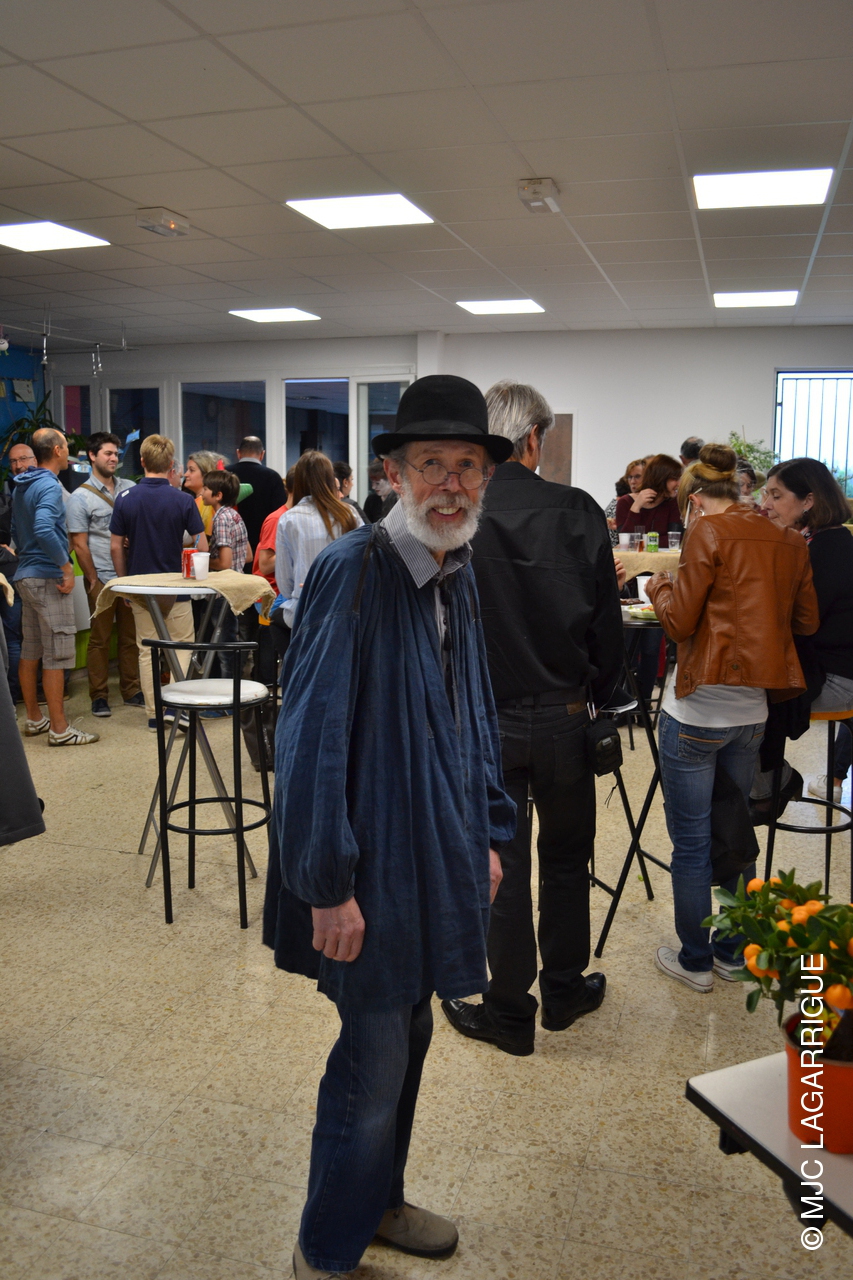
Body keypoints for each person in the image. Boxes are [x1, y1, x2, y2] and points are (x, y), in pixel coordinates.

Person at [263, 374, 515, 1280]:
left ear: (485, 478)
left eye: (467, 466)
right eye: (430, 464)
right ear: (393, 474)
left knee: (409, 1039)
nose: (450, 483)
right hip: (364, 868)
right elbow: (310, 736)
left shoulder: (456, 567)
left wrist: (485, 832)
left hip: (430, 854)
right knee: (370, 1067)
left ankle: (377, 1203)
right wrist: (326, 883)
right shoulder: (354, 571)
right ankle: (322, 1256)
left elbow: (472, 711)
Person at [441, 379, 622, 1056]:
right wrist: (605, 694)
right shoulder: (578, 510)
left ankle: (510, 1013)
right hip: (566, 719)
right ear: (534, 438)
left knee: (501, 867)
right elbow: (606, 626)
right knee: (568, 861)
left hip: (485, 724)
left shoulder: (458, 513)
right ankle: (564, 992)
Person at [645, 444, 819, 993]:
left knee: (693, 841)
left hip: (697, 709)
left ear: (695, 501)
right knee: (735, 830)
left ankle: (696, 960)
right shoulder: (789, 541)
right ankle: (730, 951)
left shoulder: (707, 533)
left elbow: (678, 623)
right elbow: (806, 621)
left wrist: (657, 585)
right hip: (752, 713)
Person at [752, 458, 853, 809]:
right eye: (765, 494)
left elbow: (796, 621)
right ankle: (761, 785)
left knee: (742, 699)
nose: (766, 505)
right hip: (818, 664)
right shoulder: (813, 541)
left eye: (776, 496)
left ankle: (767, 786)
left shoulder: (830, 549)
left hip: (838, 677)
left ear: (809, 500)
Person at [109, 435, 206, 729]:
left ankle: (154, 713)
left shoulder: (125, 498)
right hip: (176, 587)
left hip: (141, 588)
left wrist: (124, 584)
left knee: (146, 649)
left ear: (142, 461)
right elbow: (201, 546)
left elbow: (115, 547)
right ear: (171, 465)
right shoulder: (183, 500)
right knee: (182, 648)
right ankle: (177, 708)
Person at [11, 428, 99, 747]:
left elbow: (16, 530)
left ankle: (35, 718)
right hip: (48, 577)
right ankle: (60, 729)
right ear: (58, 450)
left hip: (25, 575)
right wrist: (65, 566)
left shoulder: (22, 484)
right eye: (66, 447)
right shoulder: (48, 484)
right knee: (56, 655)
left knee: (31, 650)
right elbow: (44, 528)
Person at [66, 432, 142, 718]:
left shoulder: (129, 488)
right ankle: (99, 696)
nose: (113, 458)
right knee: (99, 639)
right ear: (92, 456)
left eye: (116, 453)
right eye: (108, 453)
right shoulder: (80, 497)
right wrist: (92, 579)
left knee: (130, 637)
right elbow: (79, 544)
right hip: (101, 577)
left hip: (129, 576)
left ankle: (131, 690)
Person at [274, 451, 361, 629]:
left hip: (306, 611)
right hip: (347, 608)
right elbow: (364, 562)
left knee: (275, 618)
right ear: (332, 480)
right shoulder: (349, 513)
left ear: (298, 482)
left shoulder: (288, 519)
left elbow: (285, 584)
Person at [230, 436, 286, 563]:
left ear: (238, 453)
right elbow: (279, 513)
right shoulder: (272, 477)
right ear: (262, 454)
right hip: (262, 544)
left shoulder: (225, 474)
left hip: (229, 545)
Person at [615, 453, 683, 546]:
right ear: (661, 479)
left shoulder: (673, 502)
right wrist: (636, 507)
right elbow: (625, 541)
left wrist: (642, 542)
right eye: (675, 479)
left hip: (663, 556)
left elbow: (674, 539)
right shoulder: (625, 502)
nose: (679, 484)